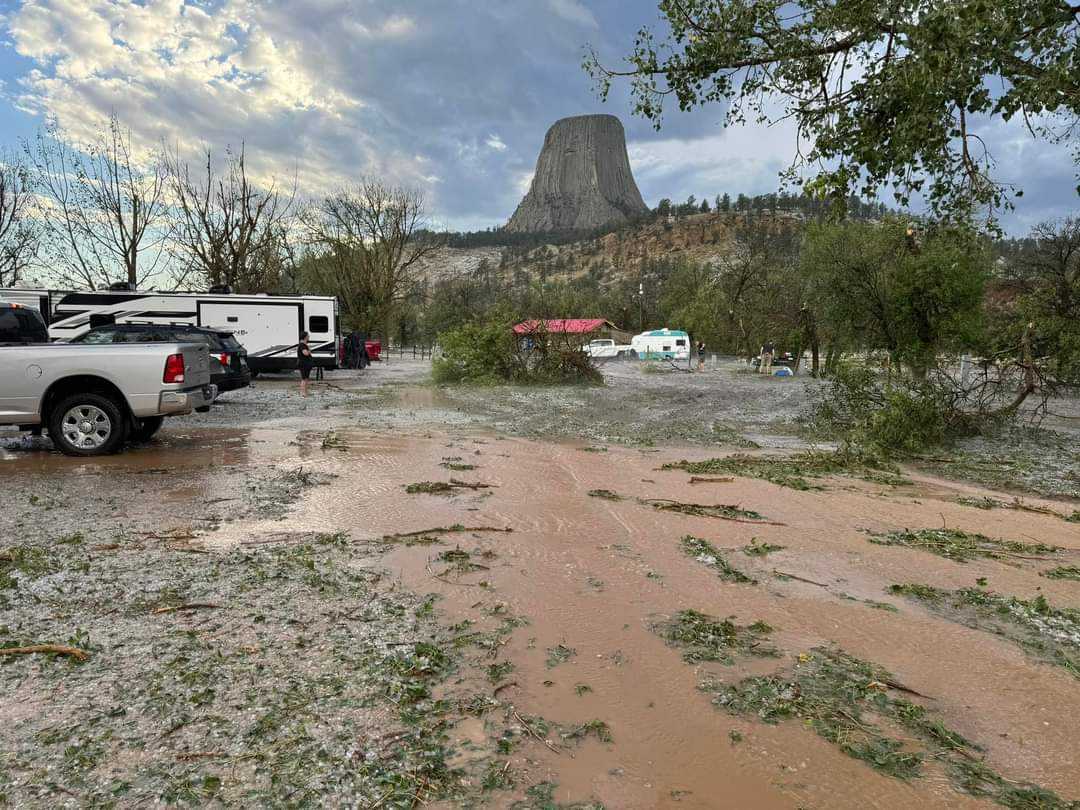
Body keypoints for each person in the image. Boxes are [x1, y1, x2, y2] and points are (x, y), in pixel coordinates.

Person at [298, 331, 314, 396]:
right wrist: (309, 351)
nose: (309, 337)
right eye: (308, 336)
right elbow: (305, 353)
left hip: (306, 364)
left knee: (306, 378)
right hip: (303, 364)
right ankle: (303, 393)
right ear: (305, 337)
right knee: (304, 379)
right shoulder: (302, 345)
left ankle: (306, 392)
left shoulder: (304, 344)